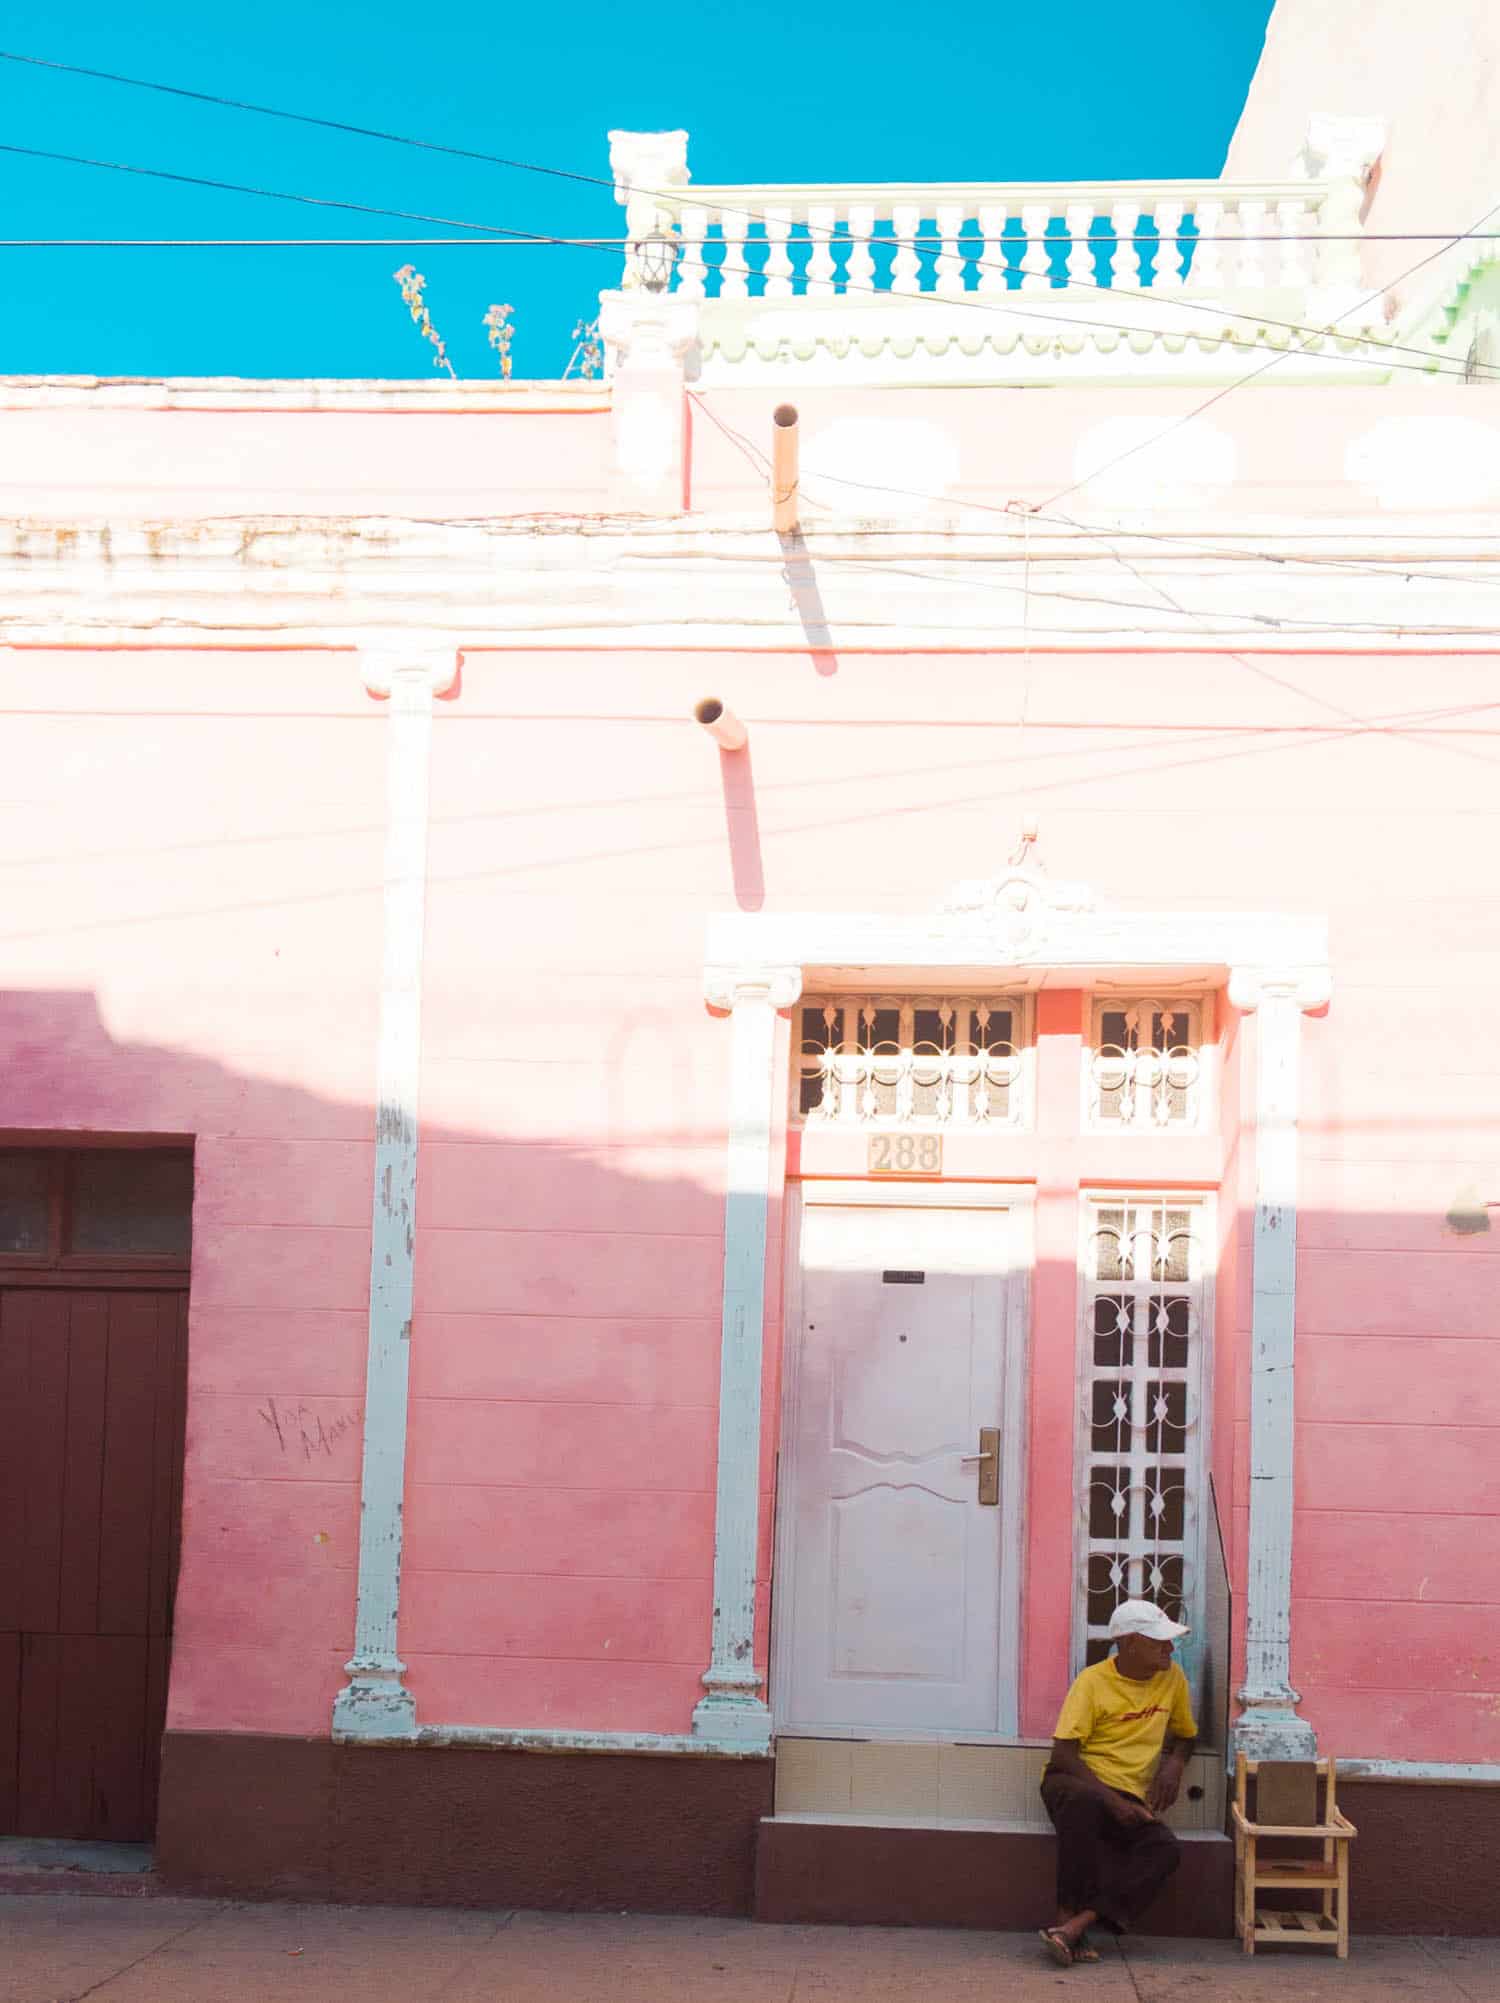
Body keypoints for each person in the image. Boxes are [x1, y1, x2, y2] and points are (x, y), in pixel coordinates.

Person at [1037, 1599, 1197, 1967]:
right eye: (1159, 1642)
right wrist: (1114, 1802)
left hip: (1126, 1794)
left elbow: (1186, 1735)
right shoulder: (1092, 1681)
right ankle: (1065, 1914)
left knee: (1164, 1849)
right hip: (1075, 1783)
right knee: (1084, 1805)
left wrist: (1173, 1764)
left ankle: (1078, 1925)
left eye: (1169, 1641)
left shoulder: (1172, 1678)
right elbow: (1063, 1756)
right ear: (1128, 1644)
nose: (1169, 1649)